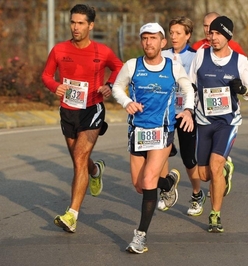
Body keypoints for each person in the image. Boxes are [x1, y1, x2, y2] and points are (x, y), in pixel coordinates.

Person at [112, 22, 194, 253]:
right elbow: (118, 87)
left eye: (153, 38)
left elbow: (188, 90)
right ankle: (168, 182)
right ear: (141, 41)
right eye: (145, 38)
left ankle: (140, 237)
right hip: (137, 131)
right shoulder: (132, 65)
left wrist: (187, 110)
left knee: (149, 180)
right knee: (139, 186)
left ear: (162, 42)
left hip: (162, 131)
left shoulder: (173, 67)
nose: (149, 42)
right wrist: (127, 102)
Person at [41, 4, 123, 233]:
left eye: (80, 23)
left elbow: (119, 68)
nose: (75, 27)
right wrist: (55, 86)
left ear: (90, 25)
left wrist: (109, 85)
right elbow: (46, 75)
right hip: (68, 111)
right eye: (73, 22)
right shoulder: (59, 50)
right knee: (78, 159)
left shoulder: (102, 51)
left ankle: (72, 214)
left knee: (79, 156)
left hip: (92, 109)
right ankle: (95, 170)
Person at [189, 16, 248, 232]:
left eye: (218, 34)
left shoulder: (239, 60)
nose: (213, 37)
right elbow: (190, 83)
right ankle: (226, 169)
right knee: (204, 175)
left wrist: (243, 91)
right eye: (211, 33)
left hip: (227, 122)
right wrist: (188, 108)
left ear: (228, 36)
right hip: (203, 120)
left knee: (215, 165)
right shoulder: (201, 54)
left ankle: (215, 215)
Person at [159, 16, 234, 216]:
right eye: (171, 33)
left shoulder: (197, 56)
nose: (174, 37)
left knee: (188, 158)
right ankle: (167, 188)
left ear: (188, 35)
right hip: (165, 112)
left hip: (187, 113)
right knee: (160, 151)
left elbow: (200, 85)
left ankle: (196, 193)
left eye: (178, 33)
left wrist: (192, 110)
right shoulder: (162, 54)